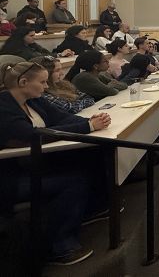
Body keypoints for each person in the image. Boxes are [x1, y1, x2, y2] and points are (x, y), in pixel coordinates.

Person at [0, 61, 111, 265]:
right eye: (42, 82)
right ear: (23, 82)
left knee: (92, 154)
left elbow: (62, 118)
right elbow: (33, 135)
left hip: (35, 163)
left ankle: (93, 209)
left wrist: (90, 121)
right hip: (11, 177)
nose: (47, 86)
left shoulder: (33, 100)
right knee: (73, 181)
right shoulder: (4, 107)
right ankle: (59, 246)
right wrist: (87, 127)